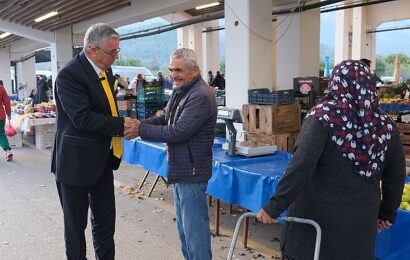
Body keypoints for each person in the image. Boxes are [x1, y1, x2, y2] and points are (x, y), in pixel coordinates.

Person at [256, 59, 406, 260]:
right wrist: (387, 213)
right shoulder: (386, 126)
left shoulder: (322, 118)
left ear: (335, 83)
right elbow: (395, 176)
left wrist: (274, 207)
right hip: (360, 226)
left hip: (315, 225)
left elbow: (301, 166)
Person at [51, 23, 138, 260]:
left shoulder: (105, 70)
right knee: (76, 228)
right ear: (92, 50)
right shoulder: (69, 75)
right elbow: (83, 118)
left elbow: (106, 106)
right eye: (112, 52)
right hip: (75, 164)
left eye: (117, 51)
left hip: (101, 160)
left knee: (105, 223)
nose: (115, 57)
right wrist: (121, 126)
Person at [126, 48, 217, 260]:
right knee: (185, 231)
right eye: (171, 70)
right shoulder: (182, 90)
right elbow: (165, 117)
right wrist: (140, 124)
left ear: (195, 71)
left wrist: (140, 130)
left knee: (195, 233)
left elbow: (179, 131)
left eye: (178, 70)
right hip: (181, 169)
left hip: (192, 173)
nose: (173, 75)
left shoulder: (200, 96)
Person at [0, 80, 13, 162]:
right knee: (1, 133)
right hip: (1, 116)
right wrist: (9, 114)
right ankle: (8, 151)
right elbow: (7, 102)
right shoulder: (1, 88)